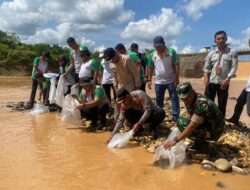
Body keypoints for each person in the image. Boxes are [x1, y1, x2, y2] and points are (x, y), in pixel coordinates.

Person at [164, 82, 225, 153]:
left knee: (187, 128)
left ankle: (203, 145)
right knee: (181, 122)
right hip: (206, 122)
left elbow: (192, 127)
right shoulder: (189, 99)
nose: (185, 100)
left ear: (193, 91)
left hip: (215, 129)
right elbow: (188, 111)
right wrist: (186, 117)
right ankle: (200, 139)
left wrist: (176, 140)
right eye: (183, 99)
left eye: (187, 98)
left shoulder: (201, 104)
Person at [203, 31, 238, 117]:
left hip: (223, 83)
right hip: (211, 82)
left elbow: (234, 67)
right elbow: (206, 67)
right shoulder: (211, 53)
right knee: (208, 103)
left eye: (223, 38)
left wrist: (227, 80)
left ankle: (220, 123)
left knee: (222, 104)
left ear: (226, 39)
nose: (221, 40)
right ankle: (208, 120)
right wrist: (206, 78)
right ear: (215, 40)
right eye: (218, 39)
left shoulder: (232, 52)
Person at [147, 36, 180, 122]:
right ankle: (159, 117)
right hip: (159, 82)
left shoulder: (171, 51)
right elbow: (150, 68)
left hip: (171, 81)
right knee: (159, 100)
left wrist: (177, 78)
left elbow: (176, 64)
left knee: (174, 98)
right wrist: (149, 80)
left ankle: (176, 116)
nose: (157, 48)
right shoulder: (152, 54)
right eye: (156, 46)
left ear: (164, 44)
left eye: (159, 46)